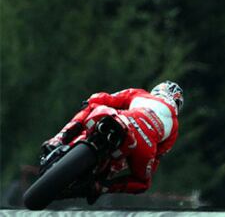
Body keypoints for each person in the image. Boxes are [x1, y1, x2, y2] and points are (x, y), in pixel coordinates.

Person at [41, 80, 184, 200]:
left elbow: (105, 98)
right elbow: (158, 156)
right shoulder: (175, 127)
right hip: (144, 145)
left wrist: (88, 102)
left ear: (157, 90)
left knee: (91, 106)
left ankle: (59, 138)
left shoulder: (140, 93)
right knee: (142, 183)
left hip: (124, 118)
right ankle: (102, 187)